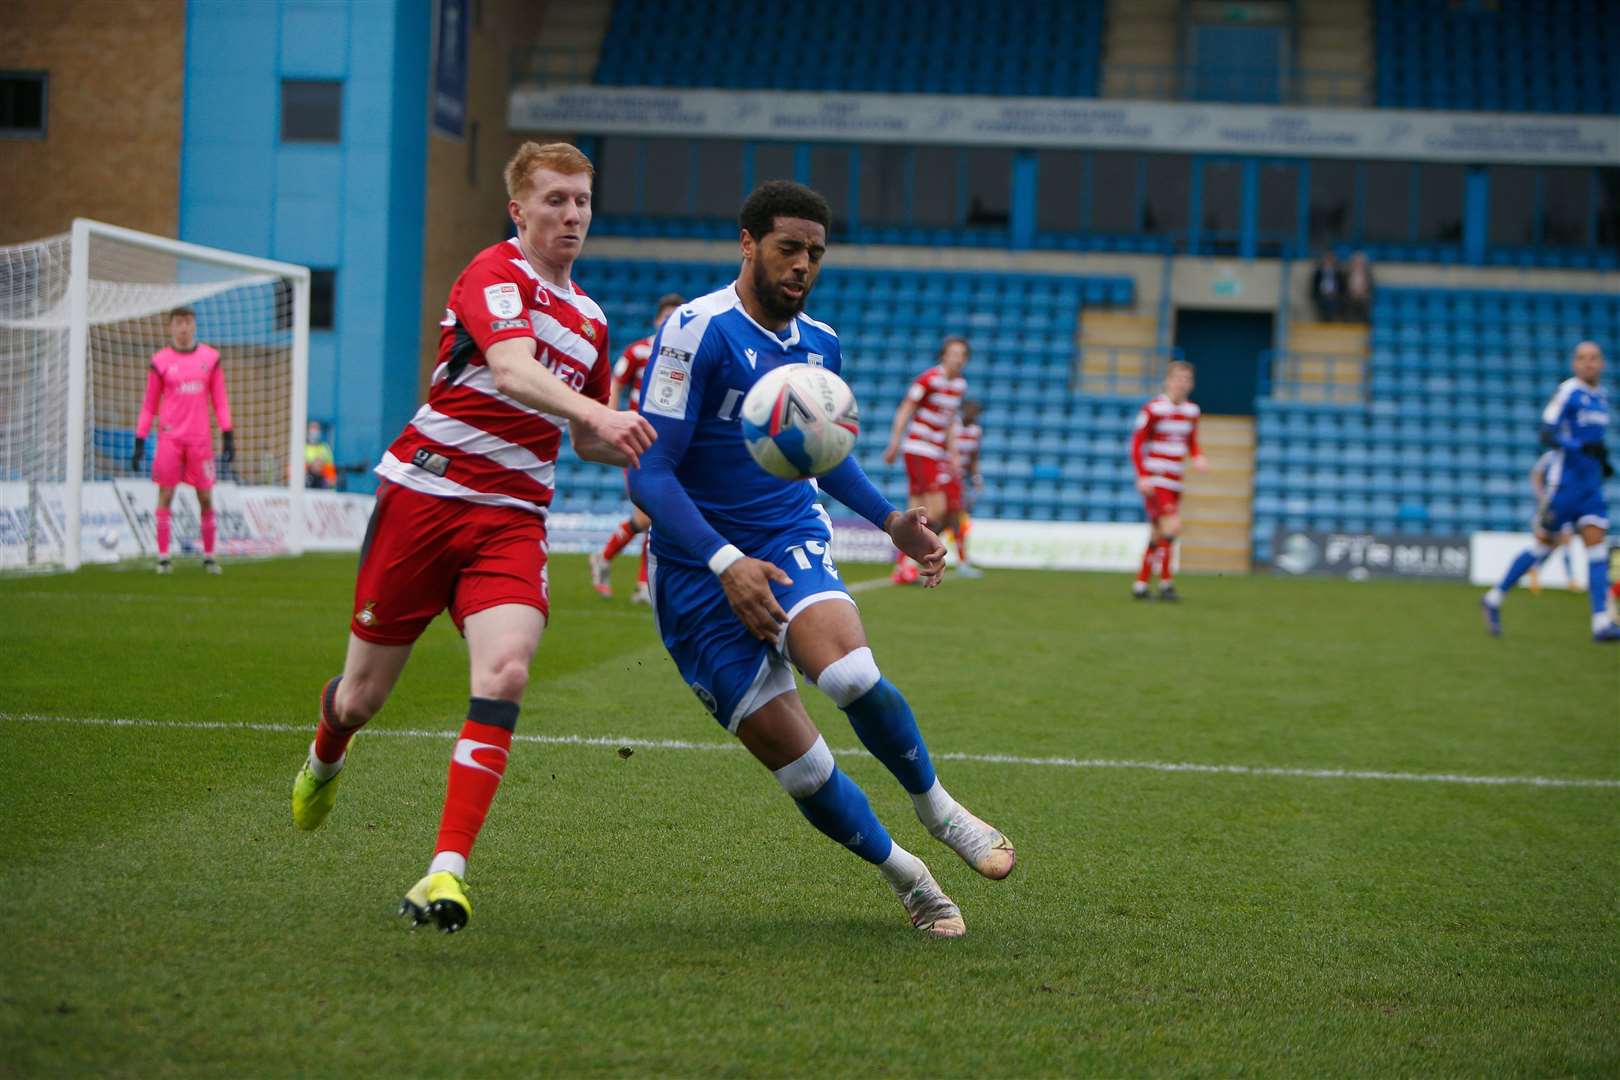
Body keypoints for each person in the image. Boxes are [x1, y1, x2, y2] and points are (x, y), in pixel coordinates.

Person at [627, 180, 1014, 939]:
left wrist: (891, 517)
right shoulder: (693, 331)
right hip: (696, 571)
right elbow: (649, 471)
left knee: (849, 672)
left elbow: (825, 458)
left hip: (785, 535)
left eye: (815, 253)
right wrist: (722, 562)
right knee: (801, 769)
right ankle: (911, 877)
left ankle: (940, 811)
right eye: (788, 248)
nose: (803, 265)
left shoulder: (821, 343)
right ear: (747, 243)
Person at [288, 141, 657, 933]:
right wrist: (599, 412)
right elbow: (515, 370)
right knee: (363, 697)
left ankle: (445, 872)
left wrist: (650, 440)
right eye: (554, 199)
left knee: (508, 670)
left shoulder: (591, 319)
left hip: (513, 518)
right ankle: (328, 746)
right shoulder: (493, 272)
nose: (572, 214)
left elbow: (587, 435)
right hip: (424, 497)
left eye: (582, 201)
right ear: (518, 210)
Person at [1482, 341, 1617, 642]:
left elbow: (1595, 440)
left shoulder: (1602, 397)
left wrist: (1602, 460)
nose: (1588, 364)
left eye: (1594, 358)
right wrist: (1579, 448)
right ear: (1574, 363)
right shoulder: (1568, 392)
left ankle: (1600, 622)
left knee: (1596, 548)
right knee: (1543, 546)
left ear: (1602, 364)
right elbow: (1547, 432)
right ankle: (1494, 597)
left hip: (1591, 487)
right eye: (1582, 358)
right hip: (1564, 485)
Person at [590, 292, 684, 604]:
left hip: (668, 444)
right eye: (666, 316)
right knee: (649, 516)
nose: (670, 322)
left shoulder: (684, 356)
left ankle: (628, 574)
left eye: (676, 317)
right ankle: (627, 573)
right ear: (658, 320)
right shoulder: (639, 351)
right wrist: (610, 417)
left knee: (654, 516)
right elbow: (616, 383)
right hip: (637, 441)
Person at [130, 307, 234, 574]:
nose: (184, 328)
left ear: (194, 326)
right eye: (178, 323)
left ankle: (210, 556)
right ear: (171, 327)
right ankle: (164, 557)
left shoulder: (210, 358)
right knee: (165, 494)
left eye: (188, 322)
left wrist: (228, 433)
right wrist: (140, 439)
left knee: (206, 497)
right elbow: (149, 405)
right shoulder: (160, 361)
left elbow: (220, 401)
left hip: (200, 440)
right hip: (170, 439)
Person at [881, 337, 969, 585]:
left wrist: (952, 454)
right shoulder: (929, 379)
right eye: (953, 353)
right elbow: (906, 409)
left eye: (962, 354)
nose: (957, 358)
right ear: (944, 355)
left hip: (935, 452)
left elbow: (950, 422)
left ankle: (903, 566)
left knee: (916, 512)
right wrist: (895, 442)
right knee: (937, 510)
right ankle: (912, 560)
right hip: (919, 449)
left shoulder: (960, 385)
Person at [1130, 361, 1206, 601]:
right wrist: (1142, 475)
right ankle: (1166, 584)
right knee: (1172, 527)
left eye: (1187, 379)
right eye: (1179, 378)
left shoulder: (1192, 411)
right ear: (1168, 380)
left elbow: (1191, 441)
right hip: (1157, 478)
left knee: (1157, 534)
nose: (1183, 384)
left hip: (1175, 479)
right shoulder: (1153, 409)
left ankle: (1141, 585)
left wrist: (1197, 456)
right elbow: (1136, 443)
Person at [938, 398, 984, 577]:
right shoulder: (952, 427)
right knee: (948, 520)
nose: (973, 414)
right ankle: (961, 560)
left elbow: (973, 457)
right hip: (944, 478)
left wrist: (976, 477)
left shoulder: (975, 431)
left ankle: (962, 559)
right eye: (970, 410)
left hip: (958, 480)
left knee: (953, 520)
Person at [1525, 449, 1579, 594]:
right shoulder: (1550, 456)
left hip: (1567, 507)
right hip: (1550, 506)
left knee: (1563, 541)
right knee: (1548, 542)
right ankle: (1536, 571)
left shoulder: (1575, 457)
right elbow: (1536, 475)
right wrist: (1542, 498)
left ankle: (1570, 580)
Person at [1310, 250, 1343, 323]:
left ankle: (1331, 322)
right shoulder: (1318, 273)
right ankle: (1326, 322)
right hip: (1321, 296)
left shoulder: (1338, 273)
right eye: (1327, 259)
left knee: (1334, 303)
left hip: (1335, 297)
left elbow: (1342, 288)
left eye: (1330, 259)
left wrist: (1335, 294)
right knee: (1324, 303)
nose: (1329, 261)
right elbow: (1314, 288)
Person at [305, 420, 337, 489]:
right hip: (306, 483)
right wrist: (311, 466)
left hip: (322, 484)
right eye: (312, 428)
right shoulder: (302, 448)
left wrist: (321, 467)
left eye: (317, 428)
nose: (314, 431)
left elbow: (331, 472)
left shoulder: (325, 448)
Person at [1344, 251, 1375, 323]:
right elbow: (1345, 287)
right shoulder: (1348, 274)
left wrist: (1363, 293)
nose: (1358, 264)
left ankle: (1363, 323)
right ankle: (1351, 323)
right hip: (1351, 296)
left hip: (1364, 296)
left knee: (1365, 302)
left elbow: (1370, 287)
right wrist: (1353, 293)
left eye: (1360, 263)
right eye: (1356, 263)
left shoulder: (1368, 275)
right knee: (1348, 302)